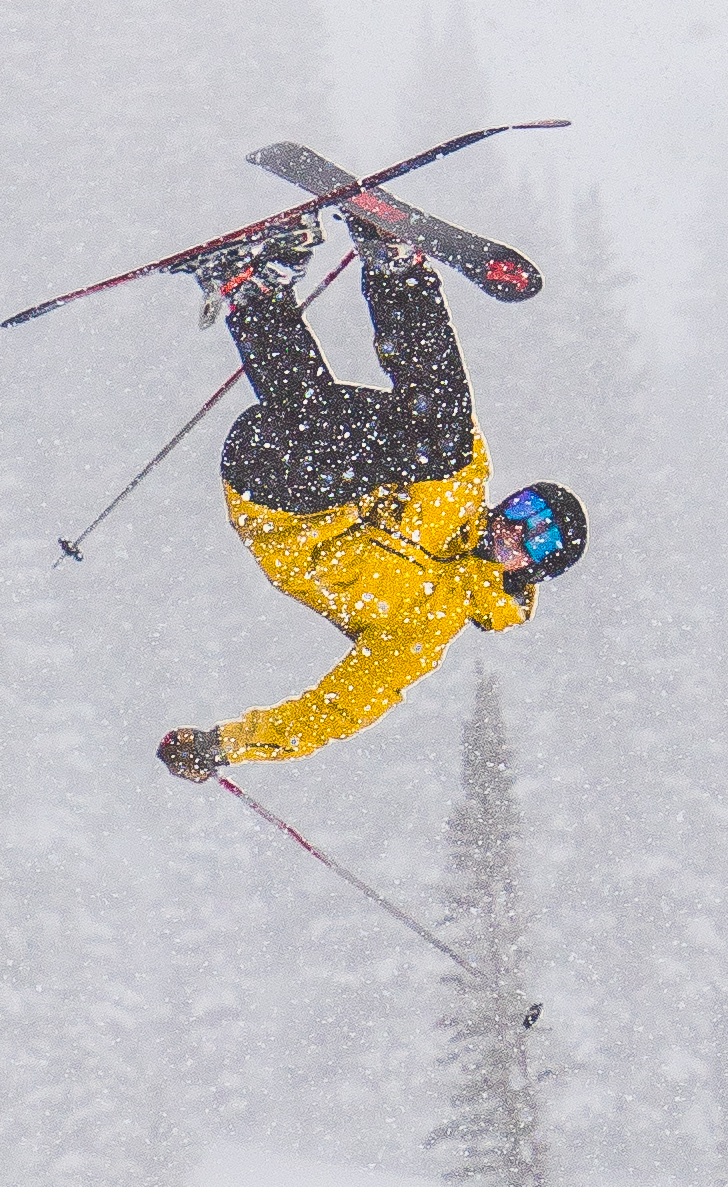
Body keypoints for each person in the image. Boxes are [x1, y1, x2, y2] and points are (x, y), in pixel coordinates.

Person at [156, 217, 586, 774]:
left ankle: (261, 293)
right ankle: (311, 282)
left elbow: (336, 710)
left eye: (537, 534)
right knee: (436, 435)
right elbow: (430, 409)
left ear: (532, 570)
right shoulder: (462, 489)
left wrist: (223, 745)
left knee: (376, 443)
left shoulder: (427, 625)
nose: (513, 525)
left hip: (276, 504)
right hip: (306, 447)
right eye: (526, 507)